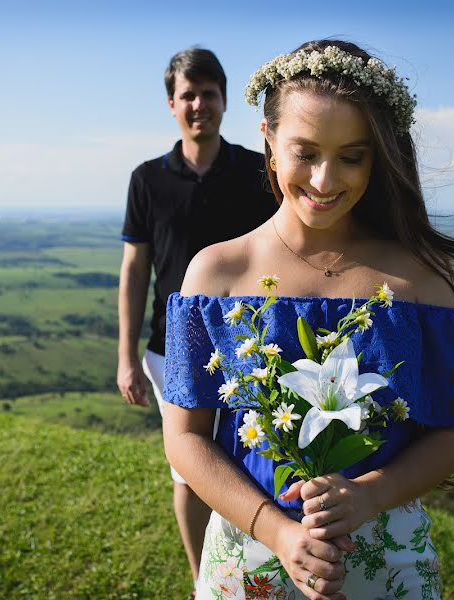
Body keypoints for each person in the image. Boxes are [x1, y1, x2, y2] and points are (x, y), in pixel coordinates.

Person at [162, 39, 454, 599]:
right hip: (248, 550)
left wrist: (369, 496)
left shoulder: (419, 284)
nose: (324, 180)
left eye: (352, 156)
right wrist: (279, 532)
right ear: (267, 139)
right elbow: (185, 441)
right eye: (305, 152)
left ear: (378, 156)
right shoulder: (215, 275)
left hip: (384, 555)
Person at [117, 47, 278, 588]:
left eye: (209, 94)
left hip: (250, 344)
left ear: (225, 102)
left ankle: (261, 573)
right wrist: (126, 359)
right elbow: (135, 270)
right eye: (188, 94)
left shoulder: (259, 171)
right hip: (171, 349)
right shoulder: (147, 180)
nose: (199, 104)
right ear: (172, 104)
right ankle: (201, 582)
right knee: (190, 471)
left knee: (251, 464)